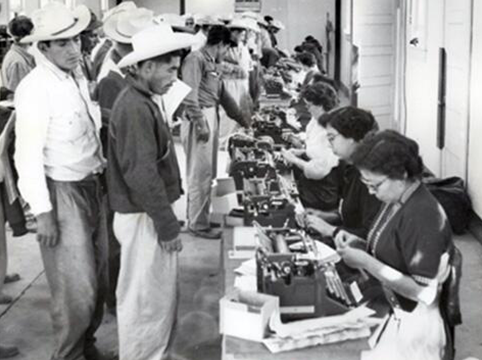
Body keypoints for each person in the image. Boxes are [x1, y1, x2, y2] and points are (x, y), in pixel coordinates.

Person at [14, 3, 108, 360]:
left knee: (97, 277)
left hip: (92, 185)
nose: (74, 49)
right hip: (62, 192)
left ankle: (87, 345)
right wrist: (44, 212)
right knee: (74, 287)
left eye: (75, 41)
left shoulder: (75, 77)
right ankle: (68, 354)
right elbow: (27, 156)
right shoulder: (35, 88)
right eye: (62, 43)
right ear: (43, 48)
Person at [108, 23, 195, 360]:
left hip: (148, 213)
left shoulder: (145, 99)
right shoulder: (134, 107)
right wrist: (167, 225)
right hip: (142, 216)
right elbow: (141, 174)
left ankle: (153, 353)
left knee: (155, 295)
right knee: (144, 298)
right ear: (146, 67)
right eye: (170, 69)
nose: (175, 76)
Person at [336, 130, 455, 360]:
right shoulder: (398, 198)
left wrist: (366, 262)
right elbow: (393, 249)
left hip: (415, 331)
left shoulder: (423, 215)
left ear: (401, 174)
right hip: (393, 309)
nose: (370, 192)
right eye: (366, 184)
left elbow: (424, 292)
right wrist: (359, 244)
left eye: (375, 185)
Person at [181, 25, 251, 239]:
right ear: (220, 44)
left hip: (210, 116)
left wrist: (243, 119)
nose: (226, 53)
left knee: (207, 172)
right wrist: (200, 122)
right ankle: (197, 225)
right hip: (199, 118)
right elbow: (188, 93)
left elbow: (223, 95)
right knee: (199, 174)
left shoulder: (212, 63)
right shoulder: (196, 59)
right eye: (225, 49)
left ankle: (198, 217)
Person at [305, 106, 381, 239]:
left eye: (332, 138)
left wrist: (330, 230)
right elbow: (351, 214)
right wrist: (325, 216)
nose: (329, 145)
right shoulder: (348, 167)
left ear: (353, 137)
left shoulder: (370, 178)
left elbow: (371, 236)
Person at [281, 82, 340, 212]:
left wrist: (294, 160)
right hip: (314, 180)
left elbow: (318, 171)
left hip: (323, 191)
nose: (307, 108)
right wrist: (300, 151)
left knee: (286, 202)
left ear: (321, 105)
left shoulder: (329, 129)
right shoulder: (317, 118)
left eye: (309, 105)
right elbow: (316, 148)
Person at [218, 18, 252, 148]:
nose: (242, 37)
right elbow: (220, 63)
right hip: (229, 82)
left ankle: (236, 137)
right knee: (227, 113)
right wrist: (233, 68)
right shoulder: (225, 47)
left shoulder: (241, 46)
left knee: (240, 109)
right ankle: (224, 140)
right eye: (240, 34)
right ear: (233, 33)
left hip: (241, 82)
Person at [1, 16, 35, 92]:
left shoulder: (18, 56)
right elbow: (20, 93)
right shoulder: (18, 62)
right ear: (27, 35)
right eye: (33, 32)